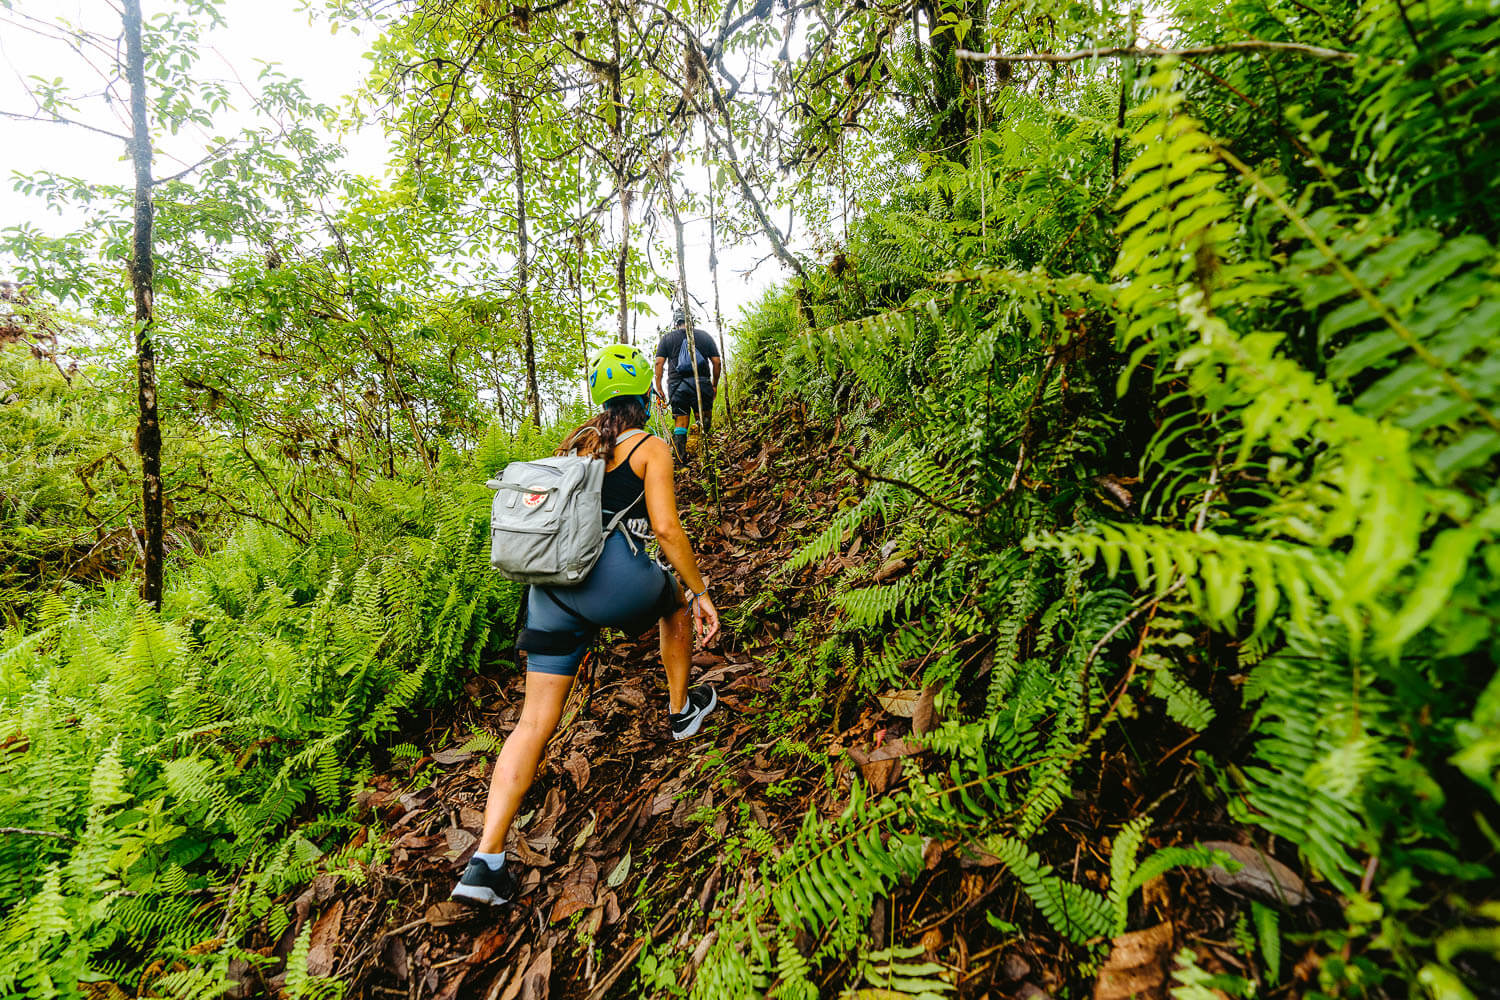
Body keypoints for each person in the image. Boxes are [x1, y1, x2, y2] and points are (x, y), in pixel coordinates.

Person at [451, 343, 722, 907]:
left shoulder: (574, 444)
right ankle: (680, 713)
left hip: (549, 593)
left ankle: (486, 861)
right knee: (673, 600)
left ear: (598, 398)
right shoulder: (649, 448)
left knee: (531, 724)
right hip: (611, 583)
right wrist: (699, 590)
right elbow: (668, 530)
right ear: (647, 397)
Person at [653, 307, 721, 462]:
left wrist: (659, 387)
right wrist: (714, 384)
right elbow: (716, 362)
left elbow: (659, 363)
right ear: (691, 321)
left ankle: (681, 461)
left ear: (676, 322)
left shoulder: (667, 339)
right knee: (703, 416)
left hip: (677, 386)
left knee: (681, 422)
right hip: (702, 383)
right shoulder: (704, 336)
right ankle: (704, 454)